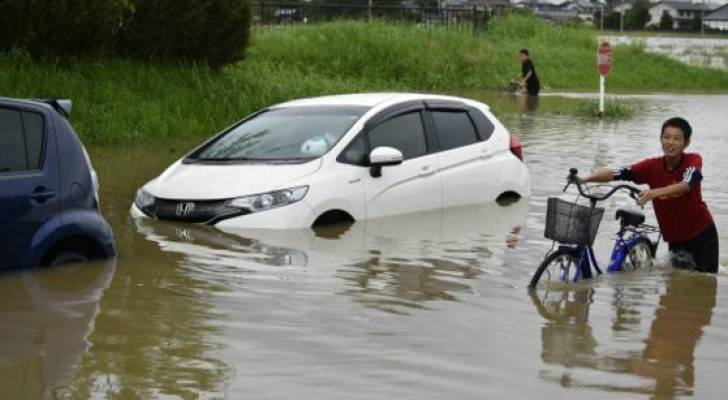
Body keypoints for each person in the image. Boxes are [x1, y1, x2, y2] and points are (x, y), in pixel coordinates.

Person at [576, 117, 719, 273]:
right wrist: (584, 179)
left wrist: (653, 193)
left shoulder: (693, 160)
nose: (670, 142)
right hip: (675, 238)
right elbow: (618, 172)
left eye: (676, 138)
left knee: (706, 283)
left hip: (702, 235)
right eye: (666, 137)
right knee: (677, 286)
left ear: (686, 143)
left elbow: (686, 185)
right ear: (660, 139)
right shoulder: (652, 166)